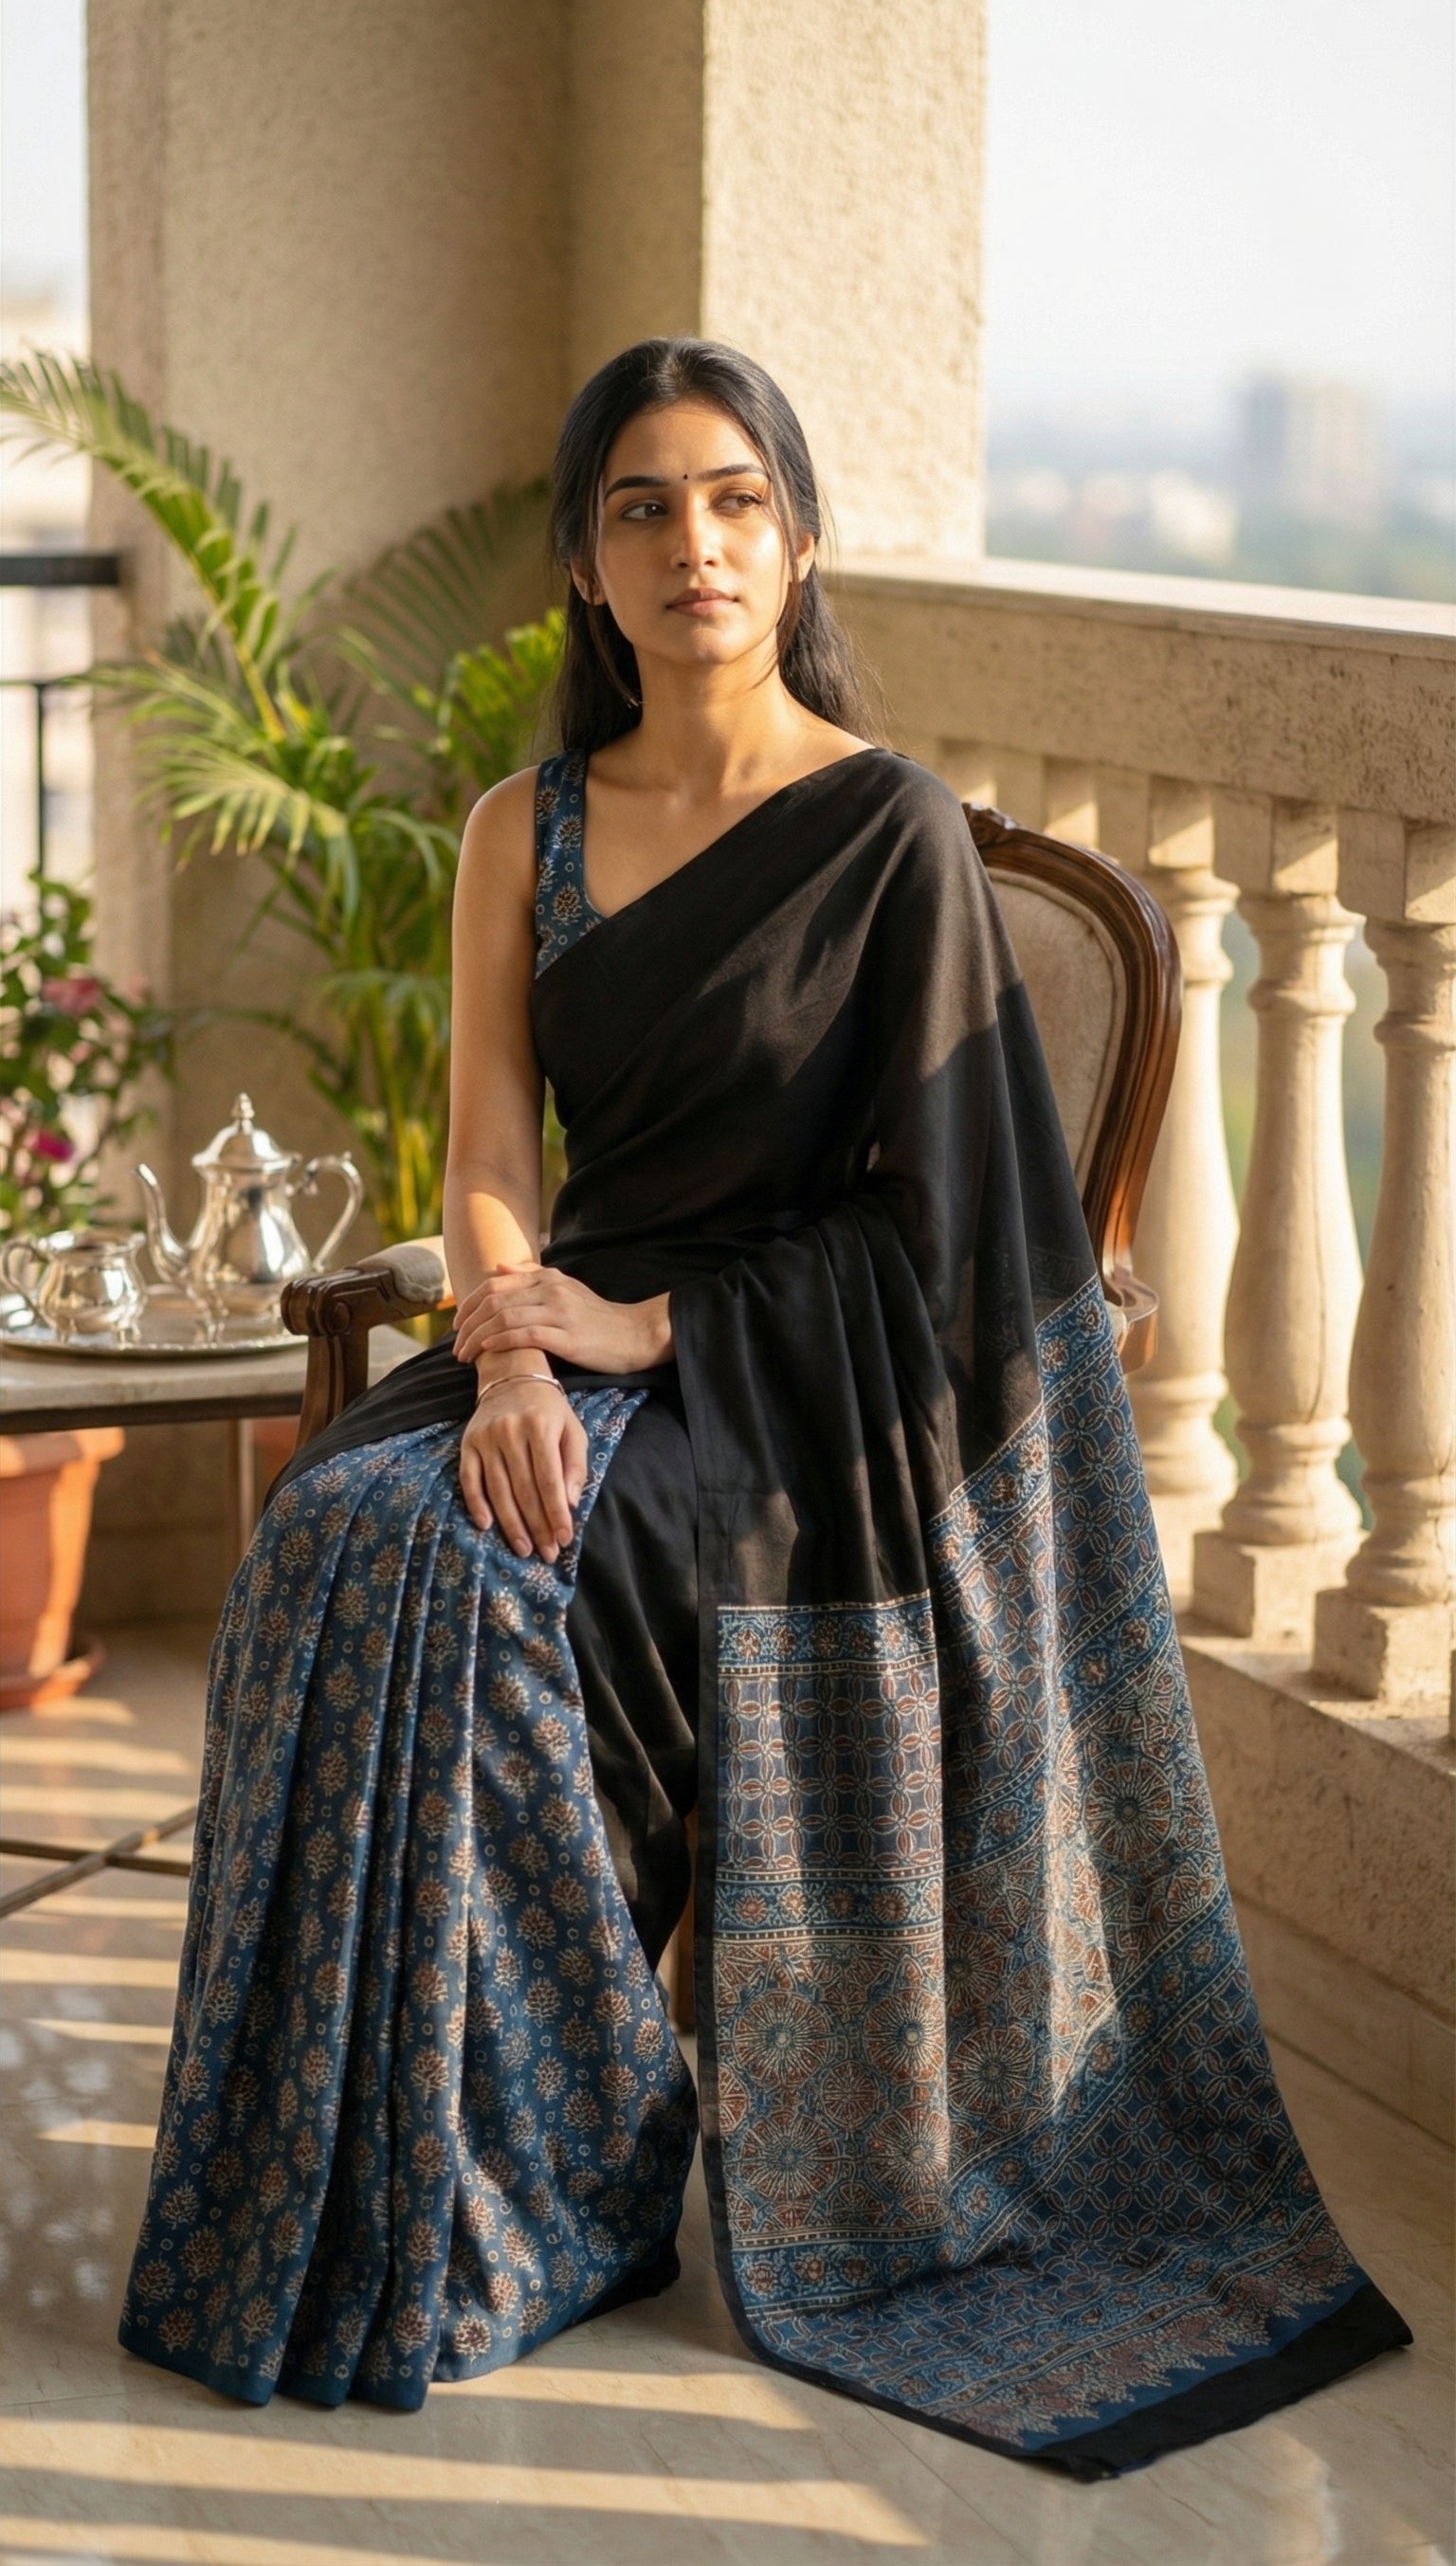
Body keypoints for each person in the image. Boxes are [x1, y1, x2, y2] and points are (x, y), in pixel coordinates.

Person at [120, 338, 1408, 2470]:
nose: (693, 544)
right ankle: (376, 2173)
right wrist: (514, 1346)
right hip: (558, 1323)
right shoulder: (523, 826)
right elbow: (486, 1148)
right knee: (345, 1532)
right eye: (642, 506)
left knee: (497, 1583)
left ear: (795, 540)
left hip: (802, 1382)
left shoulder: (885, 829)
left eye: (734, 500)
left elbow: (950, 1226)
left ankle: (551, 2180)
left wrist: (653, 1337)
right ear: (585, 562)